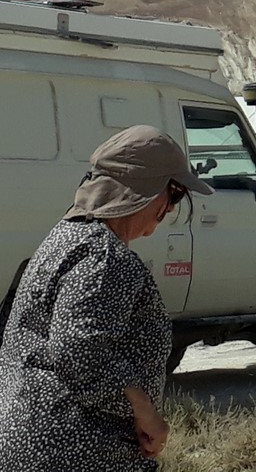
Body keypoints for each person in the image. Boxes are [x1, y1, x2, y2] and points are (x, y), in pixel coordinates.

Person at [0, 125, 213, 472]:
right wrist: (146, 412)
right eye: (174, 194)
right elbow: (79, 349)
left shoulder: (66, 237)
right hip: (77, 449)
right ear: (146, 190)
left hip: (34, 439)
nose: (171, 208)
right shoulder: (105, 256)